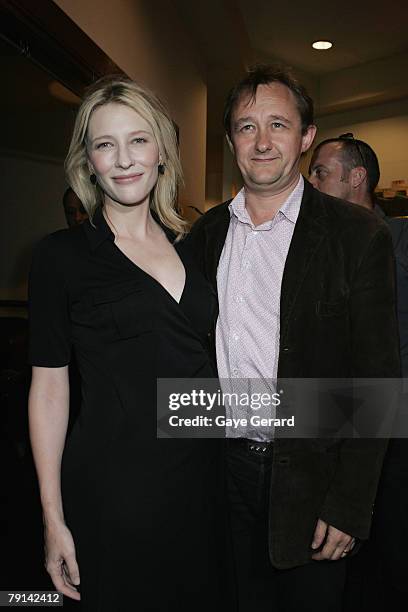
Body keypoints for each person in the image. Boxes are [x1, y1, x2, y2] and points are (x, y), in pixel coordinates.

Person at [187, 65, 400, 611]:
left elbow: (378, 380)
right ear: (230, 139)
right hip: (219, 475)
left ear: (305, 138)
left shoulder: (357, 236)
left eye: (278, 125)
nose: (261, 142)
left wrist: (350, 504)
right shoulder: (201, 237)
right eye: (246, 126)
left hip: (314, 481)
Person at [28, 76, 231, 611]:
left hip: (206, 486)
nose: (123, 159)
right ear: (88, 161)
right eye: (104, 144)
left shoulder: (199, 246)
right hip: (116, 490)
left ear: (161, 148)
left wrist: (349, 417)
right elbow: (49, 387)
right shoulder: (60, 257)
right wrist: (52, 519)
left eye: (138, 140)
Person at [310, 134, 408, 609]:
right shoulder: (319, 250)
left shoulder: (400, 244)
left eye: (321, 172)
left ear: (357, 178)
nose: (311, 182)